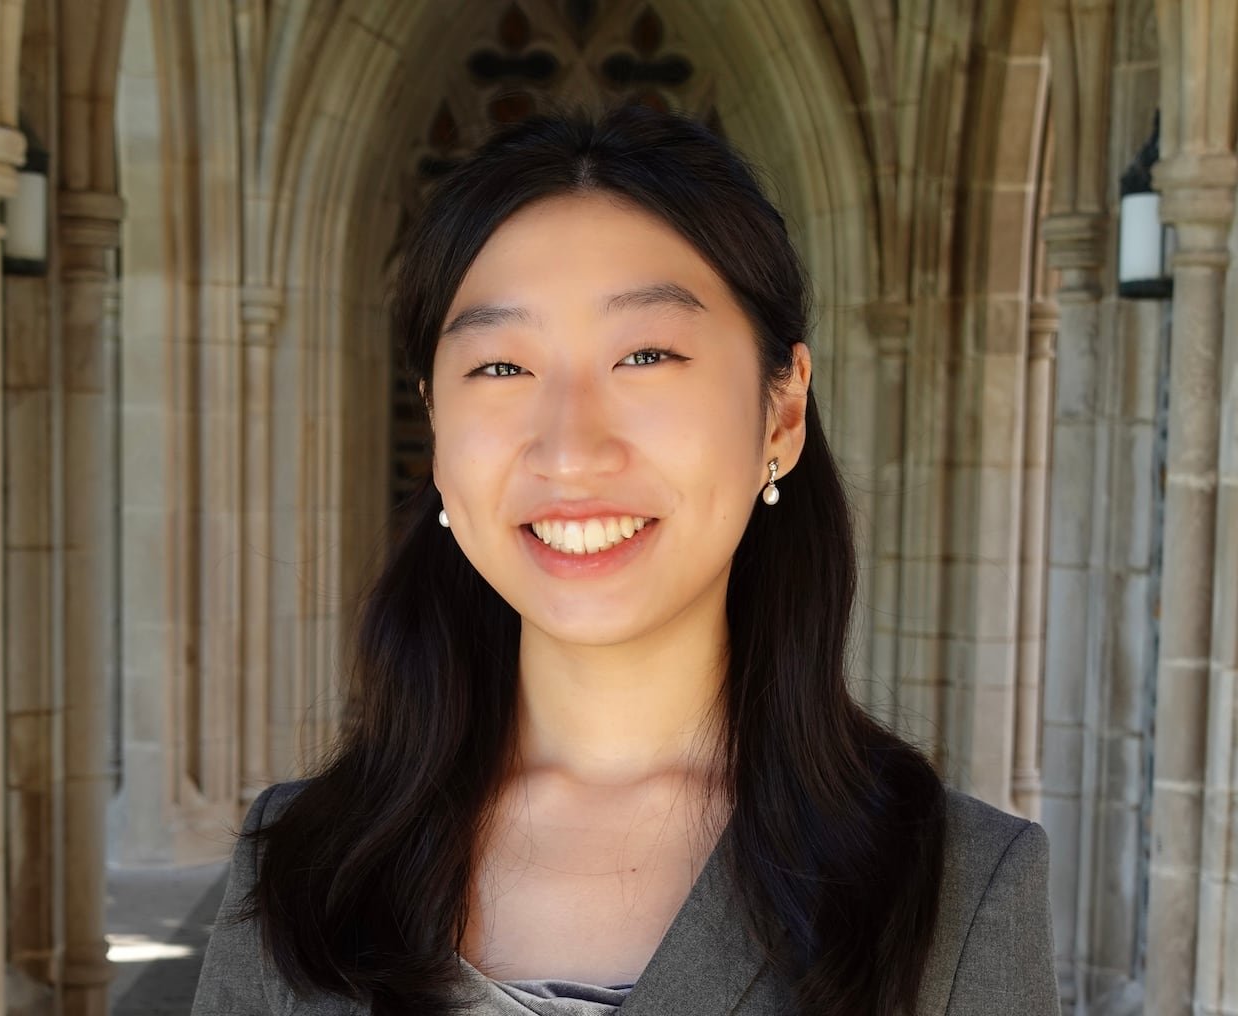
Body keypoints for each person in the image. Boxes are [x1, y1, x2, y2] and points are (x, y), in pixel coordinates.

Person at [191, 104, 1060, 1016]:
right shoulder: (301, 860)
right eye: (499, 368)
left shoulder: (957, 891)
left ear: (783, 412)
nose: (570, 450)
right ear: (437, 424)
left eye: (646, 355)